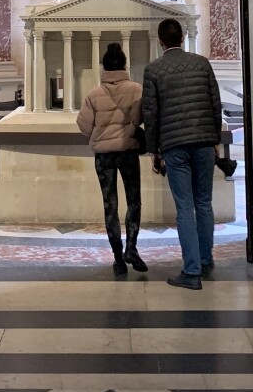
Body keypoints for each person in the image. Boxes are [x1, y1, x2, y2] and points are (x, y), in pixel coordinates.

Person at [142, 18, 222, 290]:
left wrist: (153, 150)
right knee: (204, 202)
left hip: (175, 145)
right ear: (183, 37)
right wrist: (215, 139)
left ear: (160, 41)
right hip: (204, 142)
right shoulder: (202, 64)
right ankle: (205, 259)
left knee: (185, 207)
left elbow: (150, 113)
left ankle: (191, 270)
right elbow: (215, 103)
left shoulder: (153, 70)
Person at [77, 42, 150, 277]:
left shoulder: (94, 94)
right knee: (134, 201)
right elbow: (141, 118)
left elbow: (84, 126)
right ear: (124, 66)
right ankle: (131, 248)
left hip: (104, 156)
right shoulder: (136, 90)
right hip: (128, 151)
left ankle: (118, 258)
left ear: (104, 67)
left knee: (110, 205)